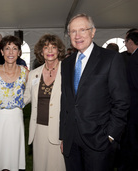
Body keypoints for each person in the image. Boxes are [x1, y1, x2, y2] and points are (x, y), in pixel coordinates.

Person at [60, 13, 130, 171]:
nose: (77, 36)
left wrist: (111, 135)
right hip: (71, 141)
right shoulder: (66, 63)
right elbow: (65, 100)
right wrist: (63, 136)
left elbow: (122, 101)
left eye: (82, 30)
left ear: (93, 32)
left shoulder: (111, 59)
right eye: (73, 31)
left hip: (99, 141)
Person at [0, 35, 29, 171]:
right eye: (7, 48)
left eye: (14, 49)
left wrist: (22, 101)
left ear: (19, 52)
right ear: (1, 52)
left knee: (12, 157)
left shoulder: (25, 73)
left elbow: (32, 94)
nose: (11, 52)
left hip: (15, 118)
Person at [24, 34, 66, 171]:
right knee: (40, 166)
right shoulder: (33, 74)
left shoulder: (66, 72)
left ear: (59, 51)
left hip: (59, 130)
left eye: (53, 47)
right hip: (39, 129)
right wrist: (4, 100)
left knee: (57, 166)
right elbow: (25, 98)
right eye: (46, 47)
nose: (50, 51)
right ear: (41, 52)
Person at [118, 32, 138, 171]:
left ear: (131, 42)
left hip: (135, 108)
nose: (125, 46)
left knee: (133, 140)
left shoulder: (134, 59)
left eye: (125, 42)